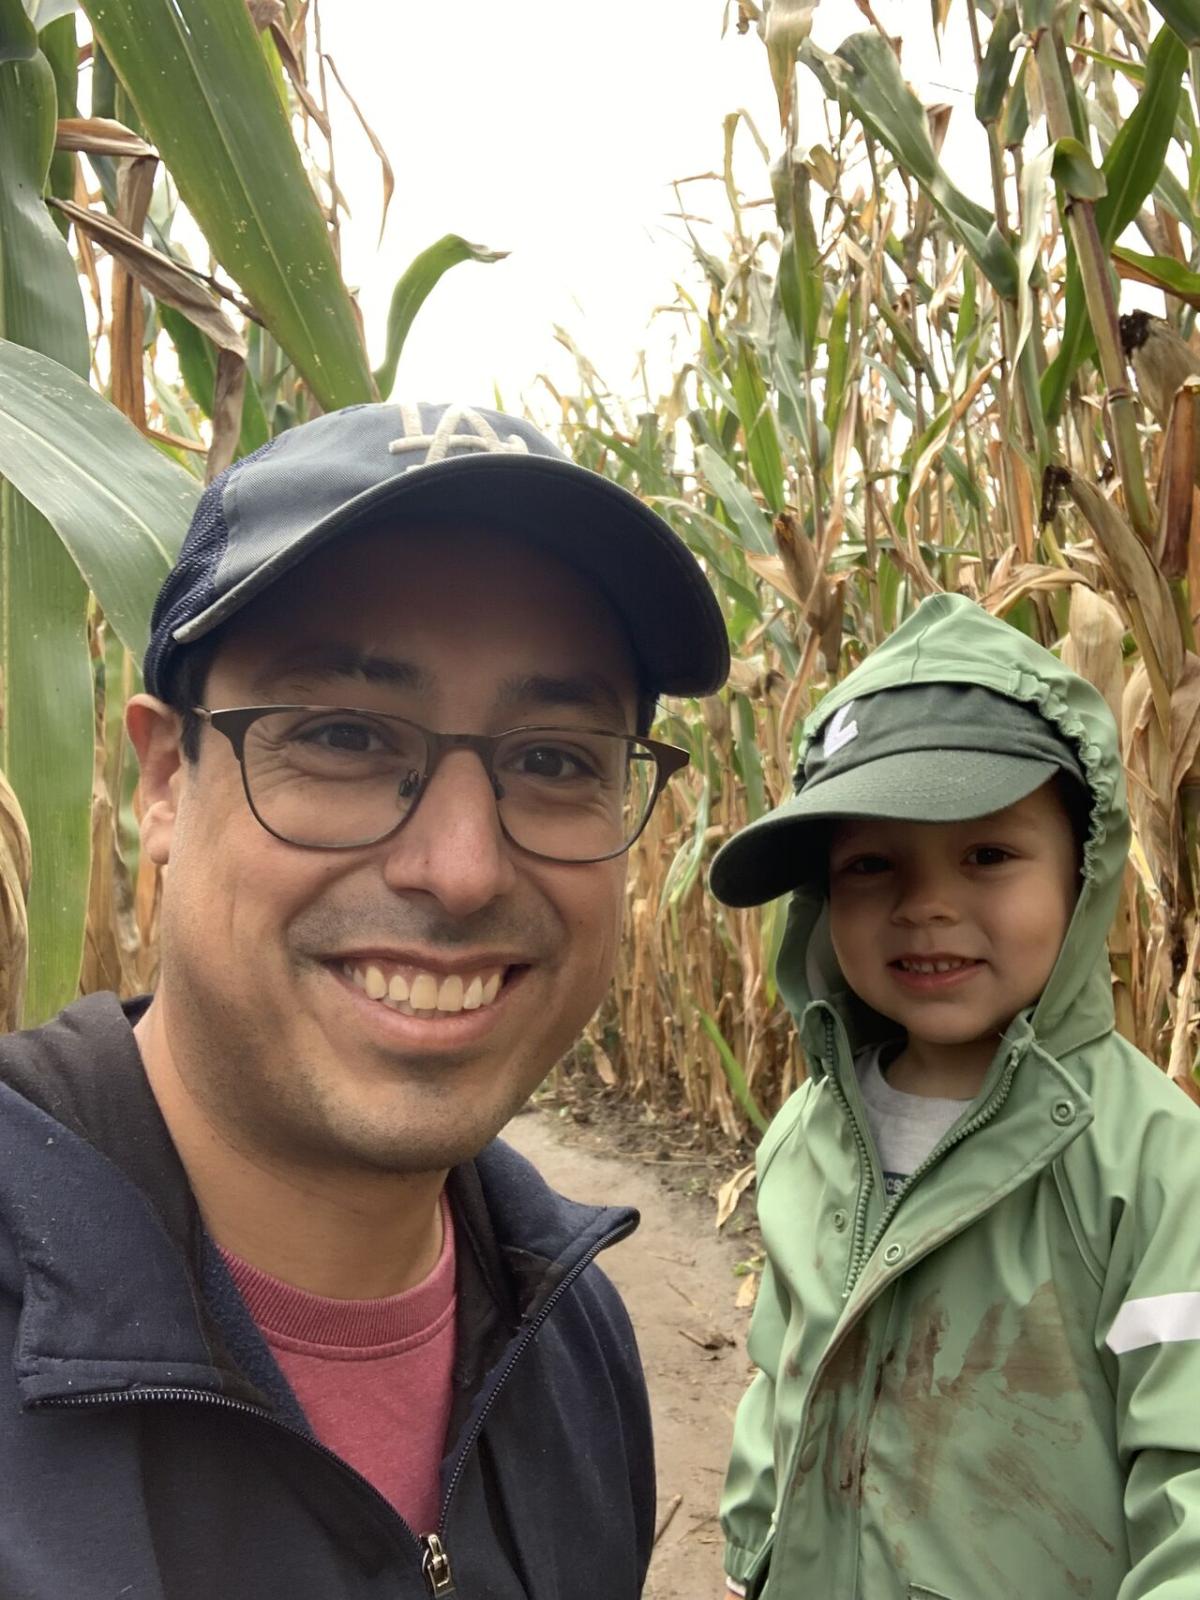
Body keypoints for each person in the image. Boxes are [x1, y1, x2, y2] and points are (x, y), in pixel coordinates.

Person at [0, 401, 729, 1599]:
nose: (461, 867)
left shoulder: (576, 1337)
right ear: (167, 782)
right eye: (342, 733)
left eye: (554, 759)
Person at [707, 592, 1200, 1599]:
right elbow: (781, 1381)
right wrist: (744, 1561)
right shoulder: (808, 1134)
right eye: (871, 864)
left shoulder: (1156, 1164)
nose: (926, 903)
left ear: (1085, 867)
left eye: (987, 854)